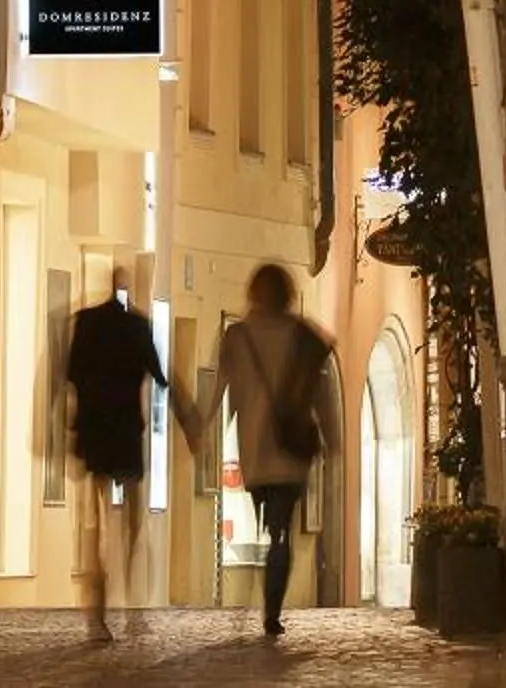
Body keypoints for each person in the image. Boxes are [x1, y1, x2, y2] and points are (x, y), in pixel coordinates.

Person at [64, 265, 197, 643]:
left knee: (96, 523)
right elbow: (160, 375)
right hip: (125, 432)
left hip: (94, 434)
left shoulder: (86, 323)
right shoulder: (137, 327)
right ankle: (131, 599)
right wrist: (188, 418)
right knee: (131, 524)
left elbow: (70, 375)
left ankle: (98, 612)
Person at [217, 262, 340, 640]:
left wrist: (200, 425)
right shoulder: (302, 336)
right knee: (281, 531)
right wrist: (334, 440)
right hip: (291, 450)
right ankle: (272, 609)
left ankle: (267, 591)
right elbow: (323, 393)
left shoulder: (237, 336)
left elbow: (219, 388)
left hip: (255, 449)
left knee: (272, 526)